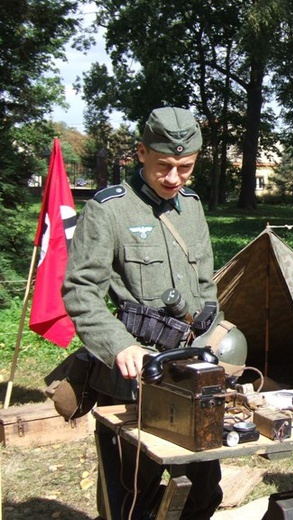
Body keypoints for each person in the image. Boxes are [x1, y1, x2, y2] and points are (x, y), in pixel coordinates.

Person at [62, 107, 223, 520]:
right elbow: (81, 291)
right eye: (164, 166)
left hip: (190, 377)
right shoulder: (109, 210)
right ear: (141, 153)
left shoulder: (192, 206)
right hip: (131, 384)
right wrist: (120, 346)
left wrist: (207, 337)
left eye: (184, 168)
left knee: (204, 494)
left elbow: (206, 286)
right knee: (132, 500)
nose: (174, 179)